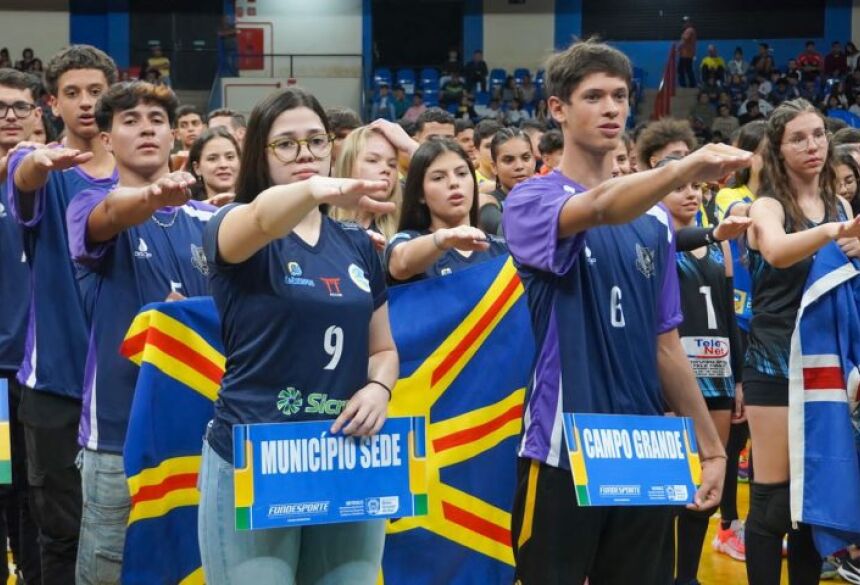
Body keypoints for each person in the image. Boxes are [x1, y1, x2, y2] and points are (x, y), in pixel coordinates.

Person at [503, 39, 748, 585]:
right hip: (563, 447)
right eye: (593, 96)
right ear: (558, 109)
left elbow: (667, 345)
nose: (611, 107)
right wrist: (685, 166)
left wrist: (711, 449)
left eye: (619, 95)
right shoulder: (531, 201)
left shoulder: (657, 225)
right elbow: (597, 207)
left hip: (644, 446)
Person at [198, 86, 399, 584]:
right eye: (286, 143)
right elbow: (266, 215)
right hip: (256, 455)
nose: (305, 153)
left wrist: (379, 387)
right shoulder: (232, 223)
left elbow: (384, 348)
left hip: (345, 454)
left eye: (316, 140)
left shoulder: (356, 243)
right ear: (259, 155)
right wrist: (315, 189)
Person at [66, 80, 215, 585]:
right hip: (117, 434)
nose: (145, 127)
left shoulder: (209, 219)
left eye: (156, 119)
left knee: (197, 569)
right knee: (111, 573)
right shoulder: (89, 204)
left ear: (175, 135)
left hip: (205, 433)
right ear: (106, 139)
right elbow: (111, 216)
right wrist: (152, 195)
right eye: (129, 120)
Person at [6, 44, 118, 585]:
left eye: (96, 92)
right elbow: (23, 177)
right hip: (54, 384)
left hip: (126, 384)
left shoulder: (141, 175)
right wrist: (34, 165)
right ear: (51, 103)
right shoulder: (39, 168)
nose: (86, 103)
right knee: (60, 532)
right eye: (71, 93)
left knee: (129, 527)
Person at [744, 98, 860, 585]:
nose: (812, 145)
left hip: (827, 362)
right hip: (774, 361)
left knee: (813, 502)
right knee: (773, 500)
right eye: (798, 137)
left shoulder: (842, 205)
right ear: (778, 148)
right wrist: (833, 233)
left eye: (817, 135)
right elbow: (775, 250)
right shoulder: (767, 205)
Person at [660, 159, 744, 585]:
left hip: (718, 372)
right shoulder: (658, 241)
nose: (692, 194)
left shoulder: (720, 243)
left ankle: (687, 577)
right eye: (681, 188)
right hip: (674, 378)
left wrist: (740, 376)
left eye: (698, 188)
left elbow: (728, 312)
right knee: (672, 483)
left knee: (709, 477)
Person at [0, 67, 43, 585]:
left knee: (39, 501)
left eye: (19, 108)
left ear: (39, 114)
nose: (9, 118)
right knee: (2, 491)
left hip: (47, 374)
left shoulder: (61, 184)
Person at [384, 139, 505, 284]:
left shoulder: (502, 249)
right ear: (420, 194)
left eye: (461, 173)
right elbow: (400, 263)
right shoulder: (406, 241)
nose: (454, 183)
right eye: (438, 177)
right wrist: (442, 239)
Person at [330, 122, 405, 242]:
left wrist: (411, 147)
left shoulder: (404, 227)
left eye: (392, 164)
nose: (386, 170)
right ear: (348, 165)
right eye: (373, 160)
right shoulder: (320, 218)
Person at [478, 127, 535, 235]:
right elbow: (509, 234)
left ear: (534, 160)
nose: (519, 166)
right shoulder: (486, 201)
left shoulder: (548, 195)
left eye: (526, 157)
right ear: (494, 167)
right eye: (508, 160)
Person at [187, 126, 241, 205]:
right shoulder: (186, 211)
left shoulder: (256, 206)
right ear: (197, 168)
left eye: (230, 157)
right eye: (212, 159)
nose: (223, 165)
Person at [171, 104, 206, 171]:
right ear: (177, 134)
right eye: (184, 125)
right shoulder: (170, 163)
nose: (190, 129)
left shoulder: (214, 160)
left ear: (205, 129)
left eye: (195, 123)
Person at [472, 119, 501, 188]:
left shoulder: (511, 178)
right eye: (488, 146)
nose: (494, 150)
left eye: (498, 144)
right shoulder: (470, 181)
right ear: (476, 152)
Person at [678, 16, 697, 88]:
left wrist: (677, 48)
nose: (684, 24)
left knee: (681, 70)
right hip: (687, 54)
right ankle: (692, 84)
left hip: (685, 55)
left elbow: (684, 40)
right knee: (688, 70)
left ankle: (685, 85)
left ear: (689, 22)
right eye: (683, 22)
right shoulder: (690, 30)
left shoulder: (689, 30)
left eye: (685, 22)